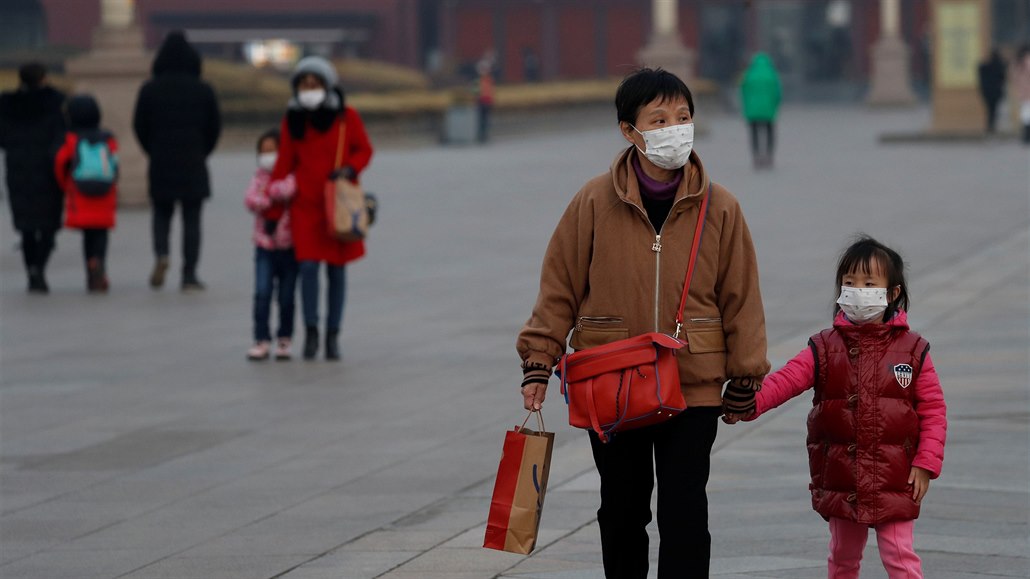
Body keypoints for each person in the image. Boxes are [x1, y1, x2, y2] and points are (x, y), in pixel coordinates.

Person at [517, 67, 770, 578]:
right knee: (621, 512)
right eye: (659, 119)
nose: (674, 128)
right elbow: (559, 286)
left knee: (685, 514)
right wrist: (540, 360)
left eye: (683, 117)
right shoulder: (593, 201)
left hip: (693, 384)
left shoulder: (720, 207)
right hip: (612, 382)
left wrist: (746, 375)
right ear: (629, 131)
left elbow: (741, 296)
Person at [725, 235, 947, 579]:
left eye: (869, 283)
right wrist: (748, 404)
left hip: (895, 476)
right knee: (843, 557)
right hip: (844, 475)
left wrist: (926, 464)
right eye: (849, 282)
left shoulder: (913, 350)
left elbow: (933, 410)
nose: (858, 290)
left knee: (900, 557)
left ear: (893, 293)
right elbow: (787, 380)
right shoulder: (825, 347)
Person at [268, 56, 373, 361]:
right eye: (304, 85)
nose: (309, 90)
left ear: (327, 86)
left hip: (335, 205)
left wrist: (350, 169)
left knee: (337, 272)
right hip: (305, 207)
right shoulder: (293, 120)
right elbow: (283, 164)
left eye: (315, 84)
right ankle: (311, 331)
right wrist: (273, 213)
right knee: (309, 268)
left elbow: (364, 149)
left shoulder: (346, 117)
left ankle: (333, 334)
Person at [133, 30, 221, 291]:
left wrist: (153, 149)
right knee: (192, 219)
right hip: (193, 160)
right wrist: (202, 150)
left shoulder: (150, 89)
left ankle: (162, 254)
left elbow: (139, 125)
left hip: (161, 160)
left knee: (161, 213)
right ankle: (189, 273)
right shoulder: (203, 90)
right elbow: (214, 127)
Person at [0, 62, 66, 293]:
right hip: (48, 170)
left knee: (27, 226)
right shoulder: (55, 102)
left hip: (18, 169)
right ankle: (39, 267)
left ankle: (32, 271)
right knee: (49, 225)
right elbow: (63, 133)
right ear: (43, 78)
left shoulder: (7, 104)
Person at [53, 94, 119, 293]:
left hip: (80, 192)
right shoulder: (107, 138)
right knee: (101, 233)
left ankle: (90, 270)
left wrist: (66, 186)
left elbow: (60, 163)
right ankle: (99, 263)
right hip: (104, 193)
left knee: (88, 235)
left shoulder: (71, 139)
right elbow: (114, 165)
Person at [244, 129, 298, 361]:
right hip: (264, 245)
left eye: (272, 151)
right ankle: (261, 338)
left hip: (289, 247)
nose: (268, 156)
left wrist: (271, 192)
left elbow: (289, 189)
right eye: (263, 152)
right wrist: (267, 200)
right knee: (262, 292)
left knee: (286, 296)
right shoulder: (258, 177)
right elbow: (249, 199)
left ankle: (284, 338)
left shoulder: (291, 174)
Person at [739, 52, 782, 169]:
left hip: (753, 111)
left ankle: (756, 156)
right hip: (768, 110)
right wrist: (775, 105)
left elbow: (743, 92)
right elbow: (777, 93)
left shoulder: (749, 74)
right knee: (769, 132)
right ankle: (769, 155)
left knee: (754, 133)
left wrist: (746, 107)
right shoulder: (771, 75)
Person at [977, 49, 1006, 135]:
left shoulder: (985, 67)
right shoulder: (999, 66)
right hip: (996, 92)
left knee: (989, 109)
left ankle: (990, 125)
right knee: (994, 109)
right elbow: (1002, 78)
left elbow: (980, 69)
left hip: (987, 92)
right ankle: (992, 126)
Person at [1014, 45, 1030, 145]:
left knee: (1025, 114)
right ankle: (1027, 135)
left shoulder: (1017, 63)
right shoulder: (1027, 61)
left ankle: (1025, 136)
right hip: (1028, 91)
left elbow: (1013, 77)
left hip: (1022, 92)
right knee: (1027, 114)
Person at [476, 61, 495, 143]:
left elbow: (491, 91)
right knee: (481, 120)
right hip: (481, 102)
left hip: (487, 102)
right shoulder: (479, 81)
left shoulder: (488, 80)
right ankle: (481, 135)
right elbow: (475, 92)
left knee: (485, 120)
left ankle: (484, 135)